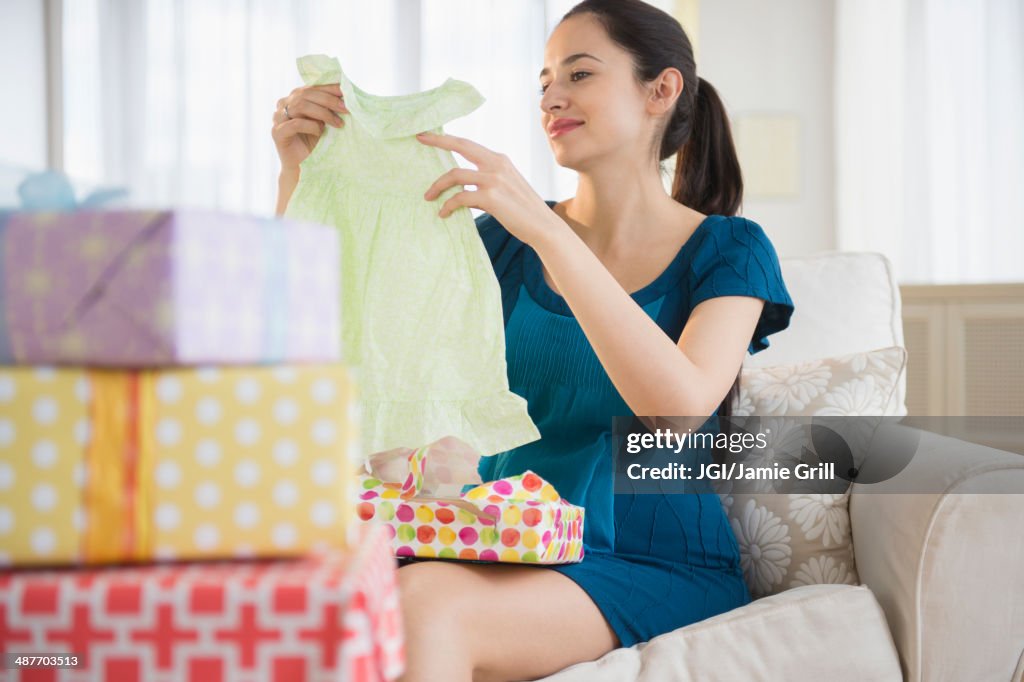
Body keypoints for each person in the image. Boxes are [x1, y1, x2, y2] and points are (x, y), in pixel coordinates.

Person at [272, 1, 794, 680]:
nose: (551, 97)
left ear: (661, 90)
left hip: (650, 560)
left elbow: (681, 409)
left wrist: (548, 233)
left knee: (426, 605)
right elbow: (323, 329)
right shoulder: (499, 245)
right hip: (498, 544)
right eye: (543, 81)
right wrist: (301, 176)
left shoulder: (729, 249)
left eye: (579, 74)